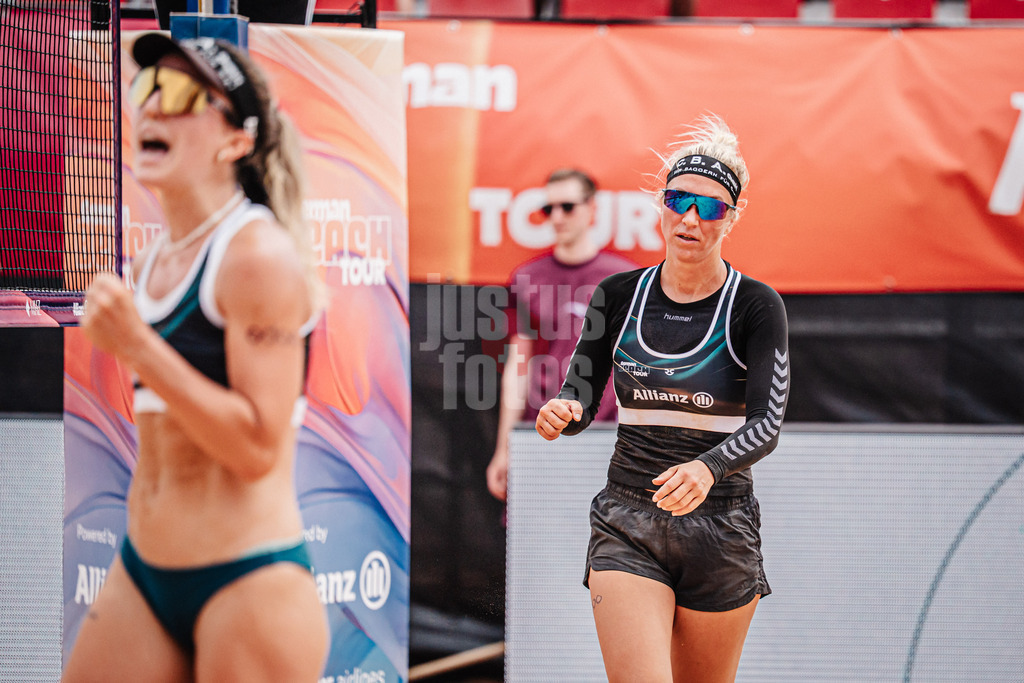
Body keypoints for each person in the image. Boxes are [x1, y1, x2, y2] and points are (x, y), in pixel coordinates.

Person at [63, 34, 328, 682]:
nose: (152, 108)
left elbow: (257, 447)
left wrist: (137, 346)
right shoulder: (155, 256)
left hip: (248, 578)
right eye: (146, 91)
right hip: (146, 569)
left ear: (236, 140)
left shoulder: (256, 256)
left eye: (181, 95)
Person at [535, 115, 789, 682]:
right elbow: (581, 392)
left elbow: (767, 422)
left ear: (732, 217)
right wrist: (564, 412)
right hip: (629, 515)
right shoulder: (618, 295)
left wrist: (708, 467)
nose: (691, 218)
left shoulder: (755, 304)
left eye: (711, 207)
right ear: (661, 203)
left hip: (721, 525)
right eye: (678, 200)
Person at [485, 168, 635, 502]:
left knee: (609, 541)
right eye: (548, 208)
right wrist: (504, 447)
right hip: (542, 433)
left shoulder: (623, 278)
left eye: (567, 206)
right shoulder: (527, 278)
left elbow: (639, 368)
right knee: (538, 541)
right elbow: (518, 367)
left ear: (591, 208)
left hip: (606, 436)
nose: (556, 217)